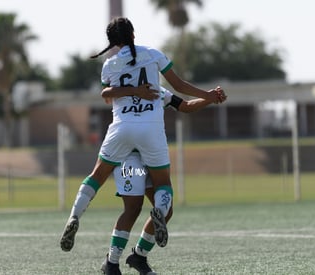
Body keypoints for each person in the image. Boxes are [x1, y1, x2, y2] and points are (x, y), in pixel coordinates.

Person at [60, 17, 226, 253]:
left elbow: (107, 92)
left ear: (112, 41)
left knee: (104, 182)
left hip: (123, 135)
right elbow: (180, 89)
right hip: (151, 134)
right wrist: (208, 95)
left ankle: (75, 216)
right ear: (133, 34)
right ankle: (156, 214)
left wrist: (131, 91)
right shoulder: (155, 70)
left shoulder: (110, 65)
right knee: (163, 187)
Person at [100, 86, 226, 274]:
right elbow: (106, 95)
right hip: (129, 157)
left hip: (151, 156)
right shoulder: (124, 88)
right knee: (132, 208)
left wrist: (209, 98)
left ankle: (139, 256)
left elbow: (186, 105)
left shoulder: (159, 91)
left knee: (165, 211)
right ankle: (111, 263)